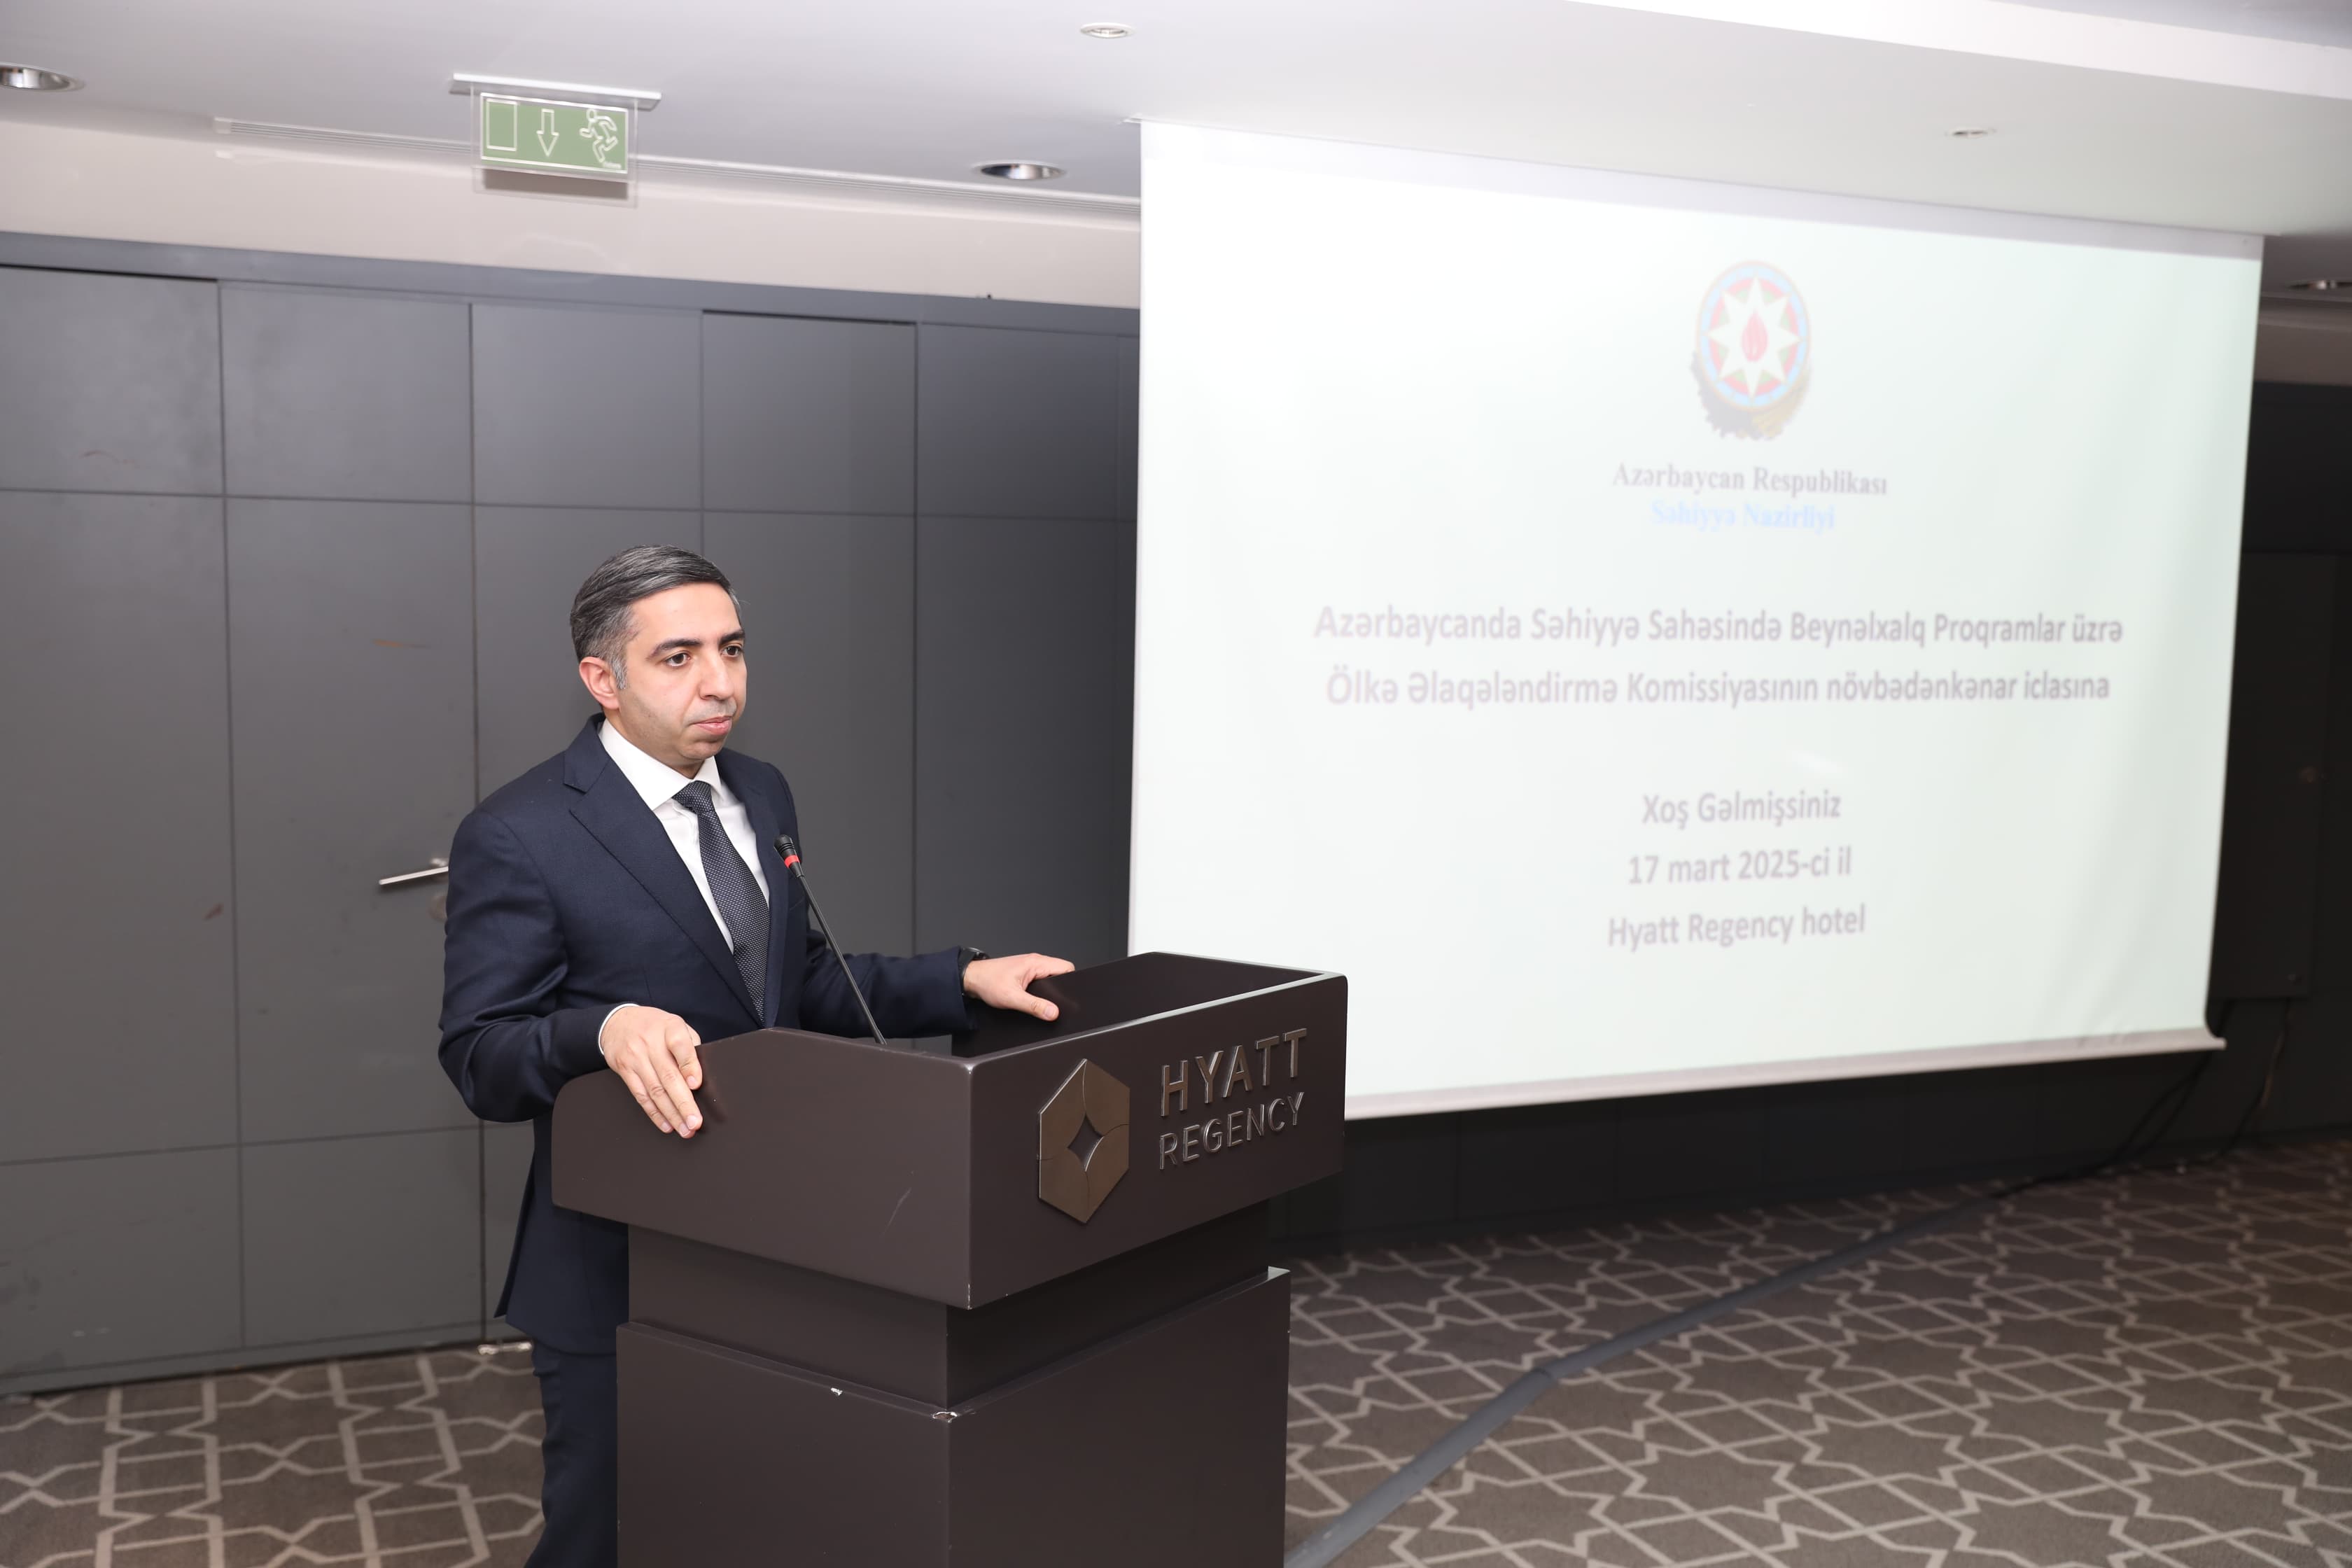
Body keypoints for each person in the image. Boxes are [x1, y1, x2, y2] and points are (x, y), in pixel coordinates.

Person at [438, 545, 1070, 1568]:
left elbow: (800, 987)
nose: (720, 681)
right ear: (603, 679)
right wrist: (597, 1030)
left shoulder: (761, 793)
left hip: (773, 1242)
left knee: (755, 1511)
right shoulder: (520, 833)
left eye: (731, 649)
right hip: (621, 1267)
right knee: (610, 1531)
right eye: (678, 657)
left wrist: (960, 980)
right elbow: (479, 1056)